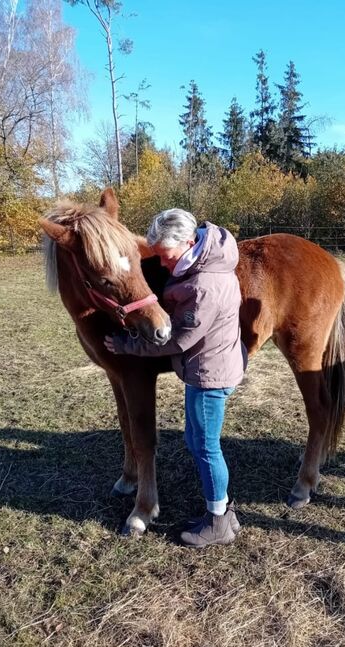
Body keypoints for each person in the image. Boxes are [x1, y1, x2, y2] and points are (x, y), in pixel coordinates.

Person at [104, 208, 246, 548]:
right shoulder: (200, 267)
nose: (164, 265)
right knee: (195, 440)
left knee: (206, 447)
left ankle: (218, 522)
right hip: (204, 367)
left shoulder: (203, 283)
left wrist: (127, 345)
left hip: (209, 374)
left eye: (166, 257)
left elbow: (180, 340)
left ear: (187, 242)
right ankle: (224, 512)